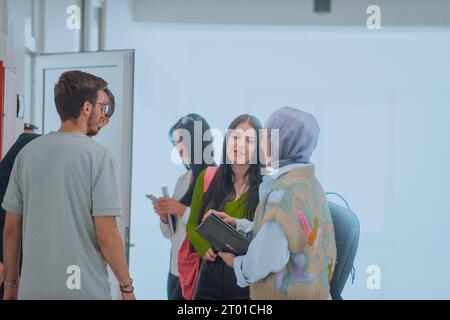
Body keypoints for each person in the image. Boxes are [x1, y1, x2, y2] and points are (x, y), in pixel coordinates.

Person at [2, 70, 134, 300]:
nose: (105, 116)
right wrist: (126, 287)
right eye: (103, 107)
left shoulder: (27, 154)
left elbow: (11, 229)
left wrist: (11, 284)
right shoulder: (99, 157)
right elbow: (107, 233)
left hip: (32, 291)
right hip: (82, 290)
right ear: (86, 108)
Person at [215, 106, 337, 300]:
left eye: (267, 134)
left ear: (280, 142)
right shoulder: (309, 182)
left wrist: (237, 264)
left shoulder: (284, 193)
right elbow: (284, 233)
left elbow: (267, 257)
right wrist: (240, 224)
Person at [187, 114, 263, 300]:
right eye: (235, 137)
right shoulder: (208, 176)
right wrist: (204, 247)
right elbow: (191, 226)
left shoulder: (265, 186)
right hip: (209, 275)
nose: (240, 145)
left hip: (245, 279)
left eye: (249, 140)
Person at [152, 114, 212, 300]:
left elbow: (210, 226)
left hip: (198, 270)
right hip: (175, 269)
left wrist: (178, 209)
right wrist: (164, 217)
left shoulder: (213, 177)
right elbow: (171, 234)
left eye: (181, 141)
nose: (177, 149)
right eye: (175, 142)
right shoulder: (182, 180)